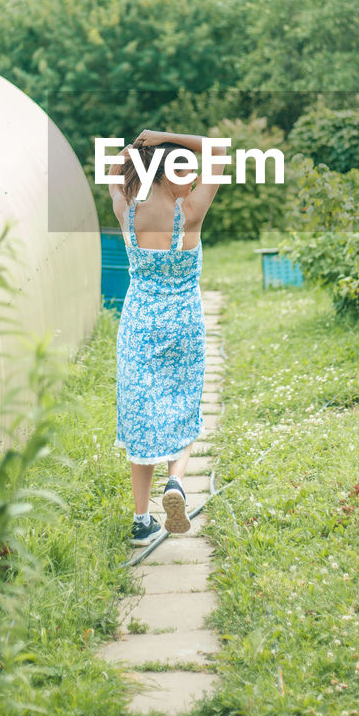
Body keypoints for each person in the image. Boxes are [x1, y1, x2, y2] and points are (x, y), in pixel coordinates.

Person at [108, 129, 225, 546]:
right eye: (184, 171)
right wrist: (164, 136)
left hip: (140, 323)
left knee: (141, 419)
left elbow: (113, 169)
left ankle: (141, 521)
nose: (191, 178)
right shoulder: (191, 211)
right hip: (184, 324)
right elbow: (219, 149)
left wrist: (139, 150)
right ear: (166, 175)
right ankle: (175, 482)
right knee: (183, 404)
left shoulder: (127, 211)